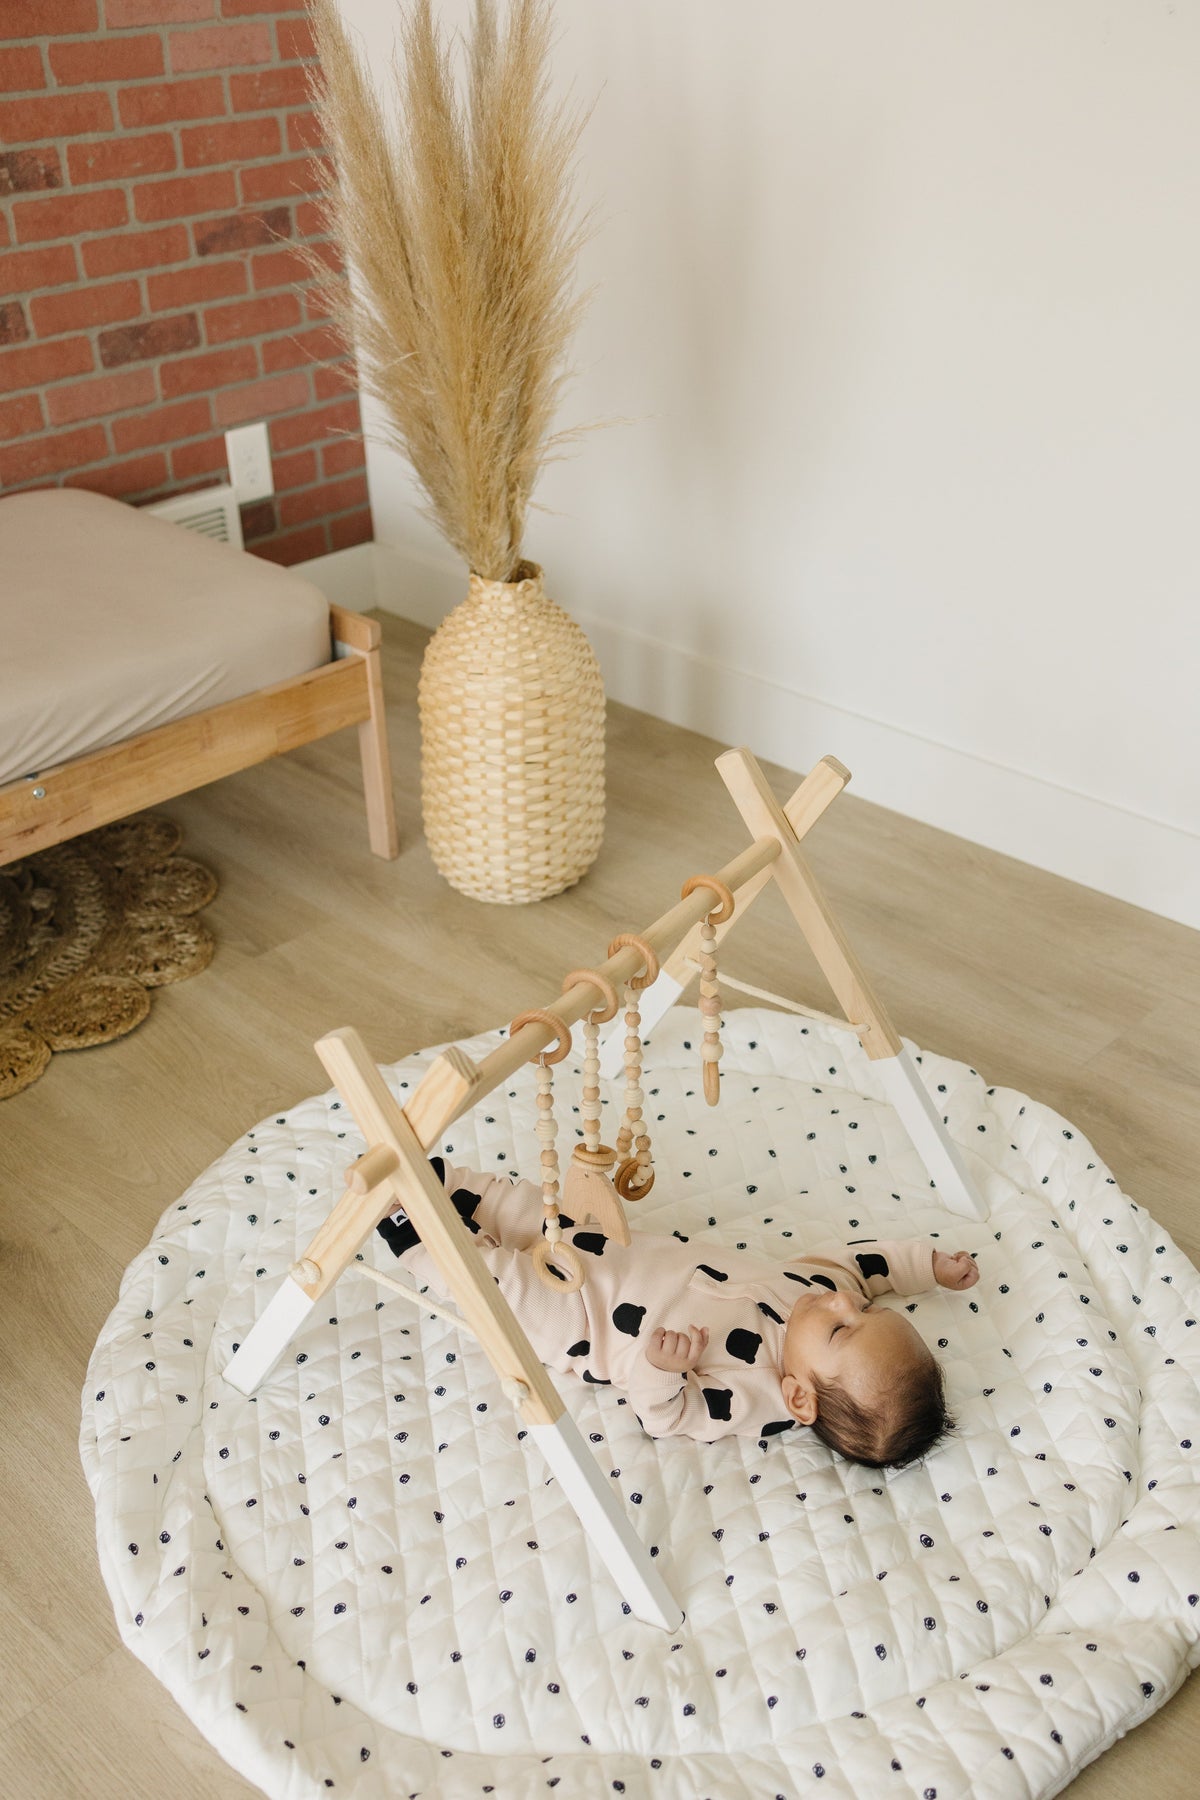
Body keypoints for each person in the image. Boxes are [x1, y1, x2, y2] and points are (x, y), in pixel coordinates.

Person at [378, 1156, 980, 1470]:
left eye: (844, 1326)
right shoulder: (818, 1294)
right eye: (862, 1310)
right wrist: (927, 1266)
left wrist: (663, 1371)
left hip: (582, 1323)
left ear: (800, 1397)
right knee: (527, 1207)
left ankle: (415, 1234)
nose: (844, 1301)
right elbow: (863, 1266)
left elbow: (667, 1417)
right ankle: (443, 1182)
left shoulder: (755, 1396)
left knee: (501, 1289)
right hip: (602, 1247)